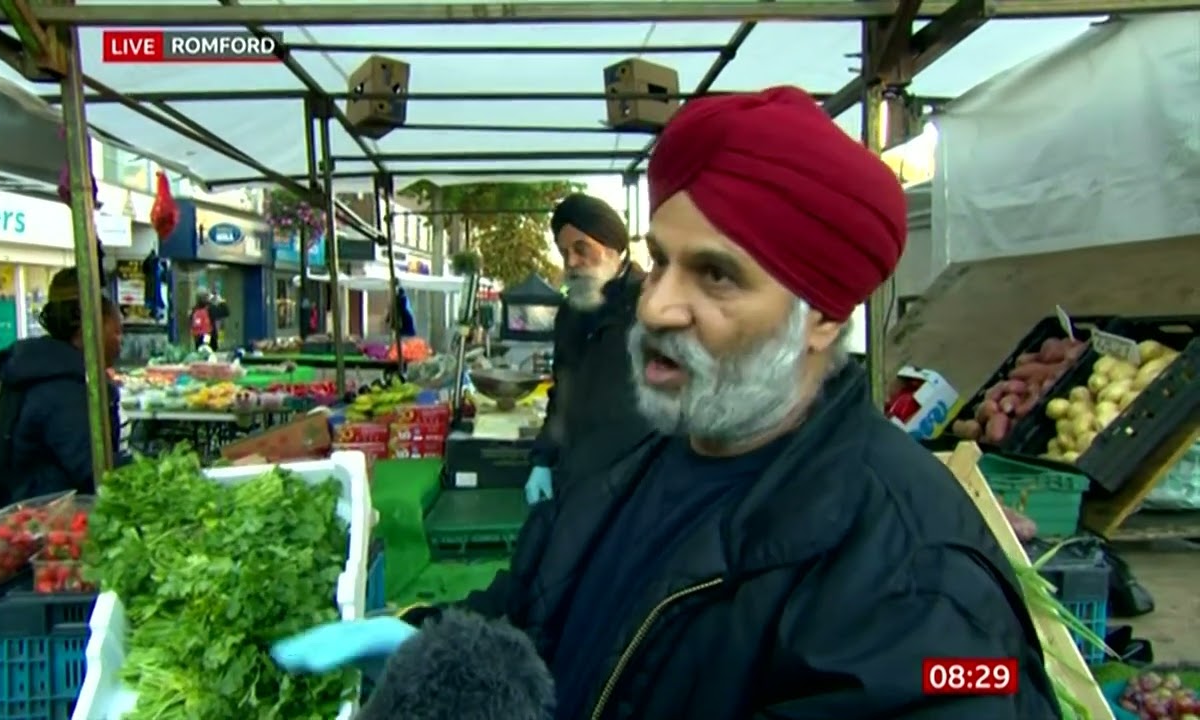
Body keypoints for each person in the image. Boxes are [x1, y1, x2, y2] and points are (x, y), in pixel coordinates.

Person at [270, 87, 1061, 719]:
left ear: (821, 315)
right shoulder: (640, 460)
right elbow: (530, 620)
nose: (655, 308)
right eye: (660, 263)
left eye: (715, 275)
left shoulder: (916, 583)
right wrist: (423, 644)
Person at [524, 193, 652, 504]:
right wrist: (543, 458)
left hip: (639, 479)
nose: (571, 262)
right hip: (577, 475)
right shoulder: (571, 312)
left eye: (582, 249)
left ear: (612, 249)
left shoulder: (651, 305)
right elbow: (563, 392)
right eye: (564, 252)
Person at [0, 268, 125, 500]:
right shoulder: (64, 389)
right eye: (116, 331)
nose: (121, 341)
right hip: (48, 514)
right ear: (89, 329)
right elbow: (95, 469)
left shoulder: (53, 369)